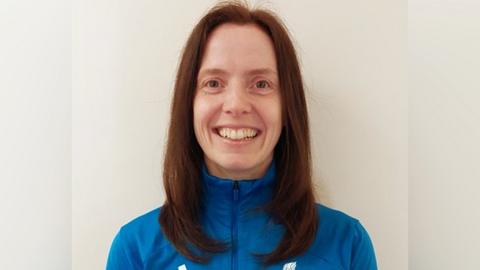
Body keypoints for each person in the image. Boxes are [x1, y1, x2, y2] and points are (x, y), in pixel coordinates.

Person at [106, 2, 377, 269]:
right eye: (213, 83)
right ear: (189, 104)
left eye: (261, 84)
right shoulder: (135, 250)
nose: (236, 104)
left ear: (287, 107)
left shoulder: (346, 244)